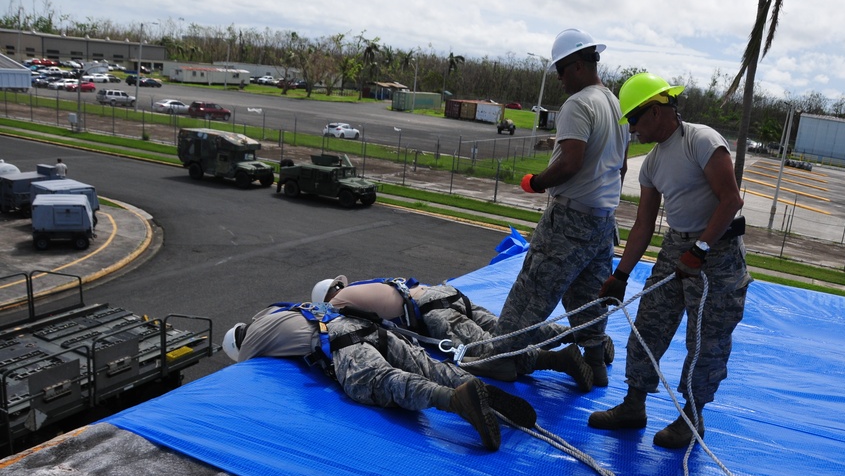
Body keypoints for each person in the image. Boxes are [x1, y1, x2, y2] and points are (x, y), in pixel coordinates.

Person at [588, 72, 752, 449]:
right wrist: (621, 274)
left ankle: (691, 420)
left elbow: (731, 201)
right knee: (649, 325)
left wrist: (701, 250)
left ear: (658, 111)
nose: (632, 129)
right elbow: (644, 223)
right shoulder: (652, 164)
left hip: (718, 252)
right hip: (677, 248)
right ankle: (633, 406)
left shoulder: (702, 141)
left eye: (634, 119)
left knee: (705, 341)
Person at [489, 27, 630, 388]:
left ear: (579, 66)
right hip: (601, 222)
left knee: (533, 290)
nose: (559, 79)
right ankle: (595, 363)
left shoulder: (579, 104)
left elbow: (571, 161)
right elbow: (622, 166)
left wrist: (537, 182)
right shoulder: (614, 105)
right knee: (588, 299)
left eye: (561, 71)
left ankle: (499, 358)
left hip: (569, 219)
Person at [223, 302, 537, 452]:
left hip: (339, 341)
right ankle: (470, 386)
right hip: (367, 326)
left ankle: (455, 400)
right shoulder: (282, 309)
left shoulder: (252, 338)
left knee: (377, 382)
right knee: (427, 365)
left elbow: (246, 375)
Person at [309, 276, 596, 391]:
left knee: (491, 351)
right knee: (505, 329)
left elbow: (335, 322)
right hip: (444, 294)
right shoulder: (366, 285)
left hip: (433, 311)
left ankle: (559, 360)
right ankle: (583, 335)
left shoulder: (339, 303)